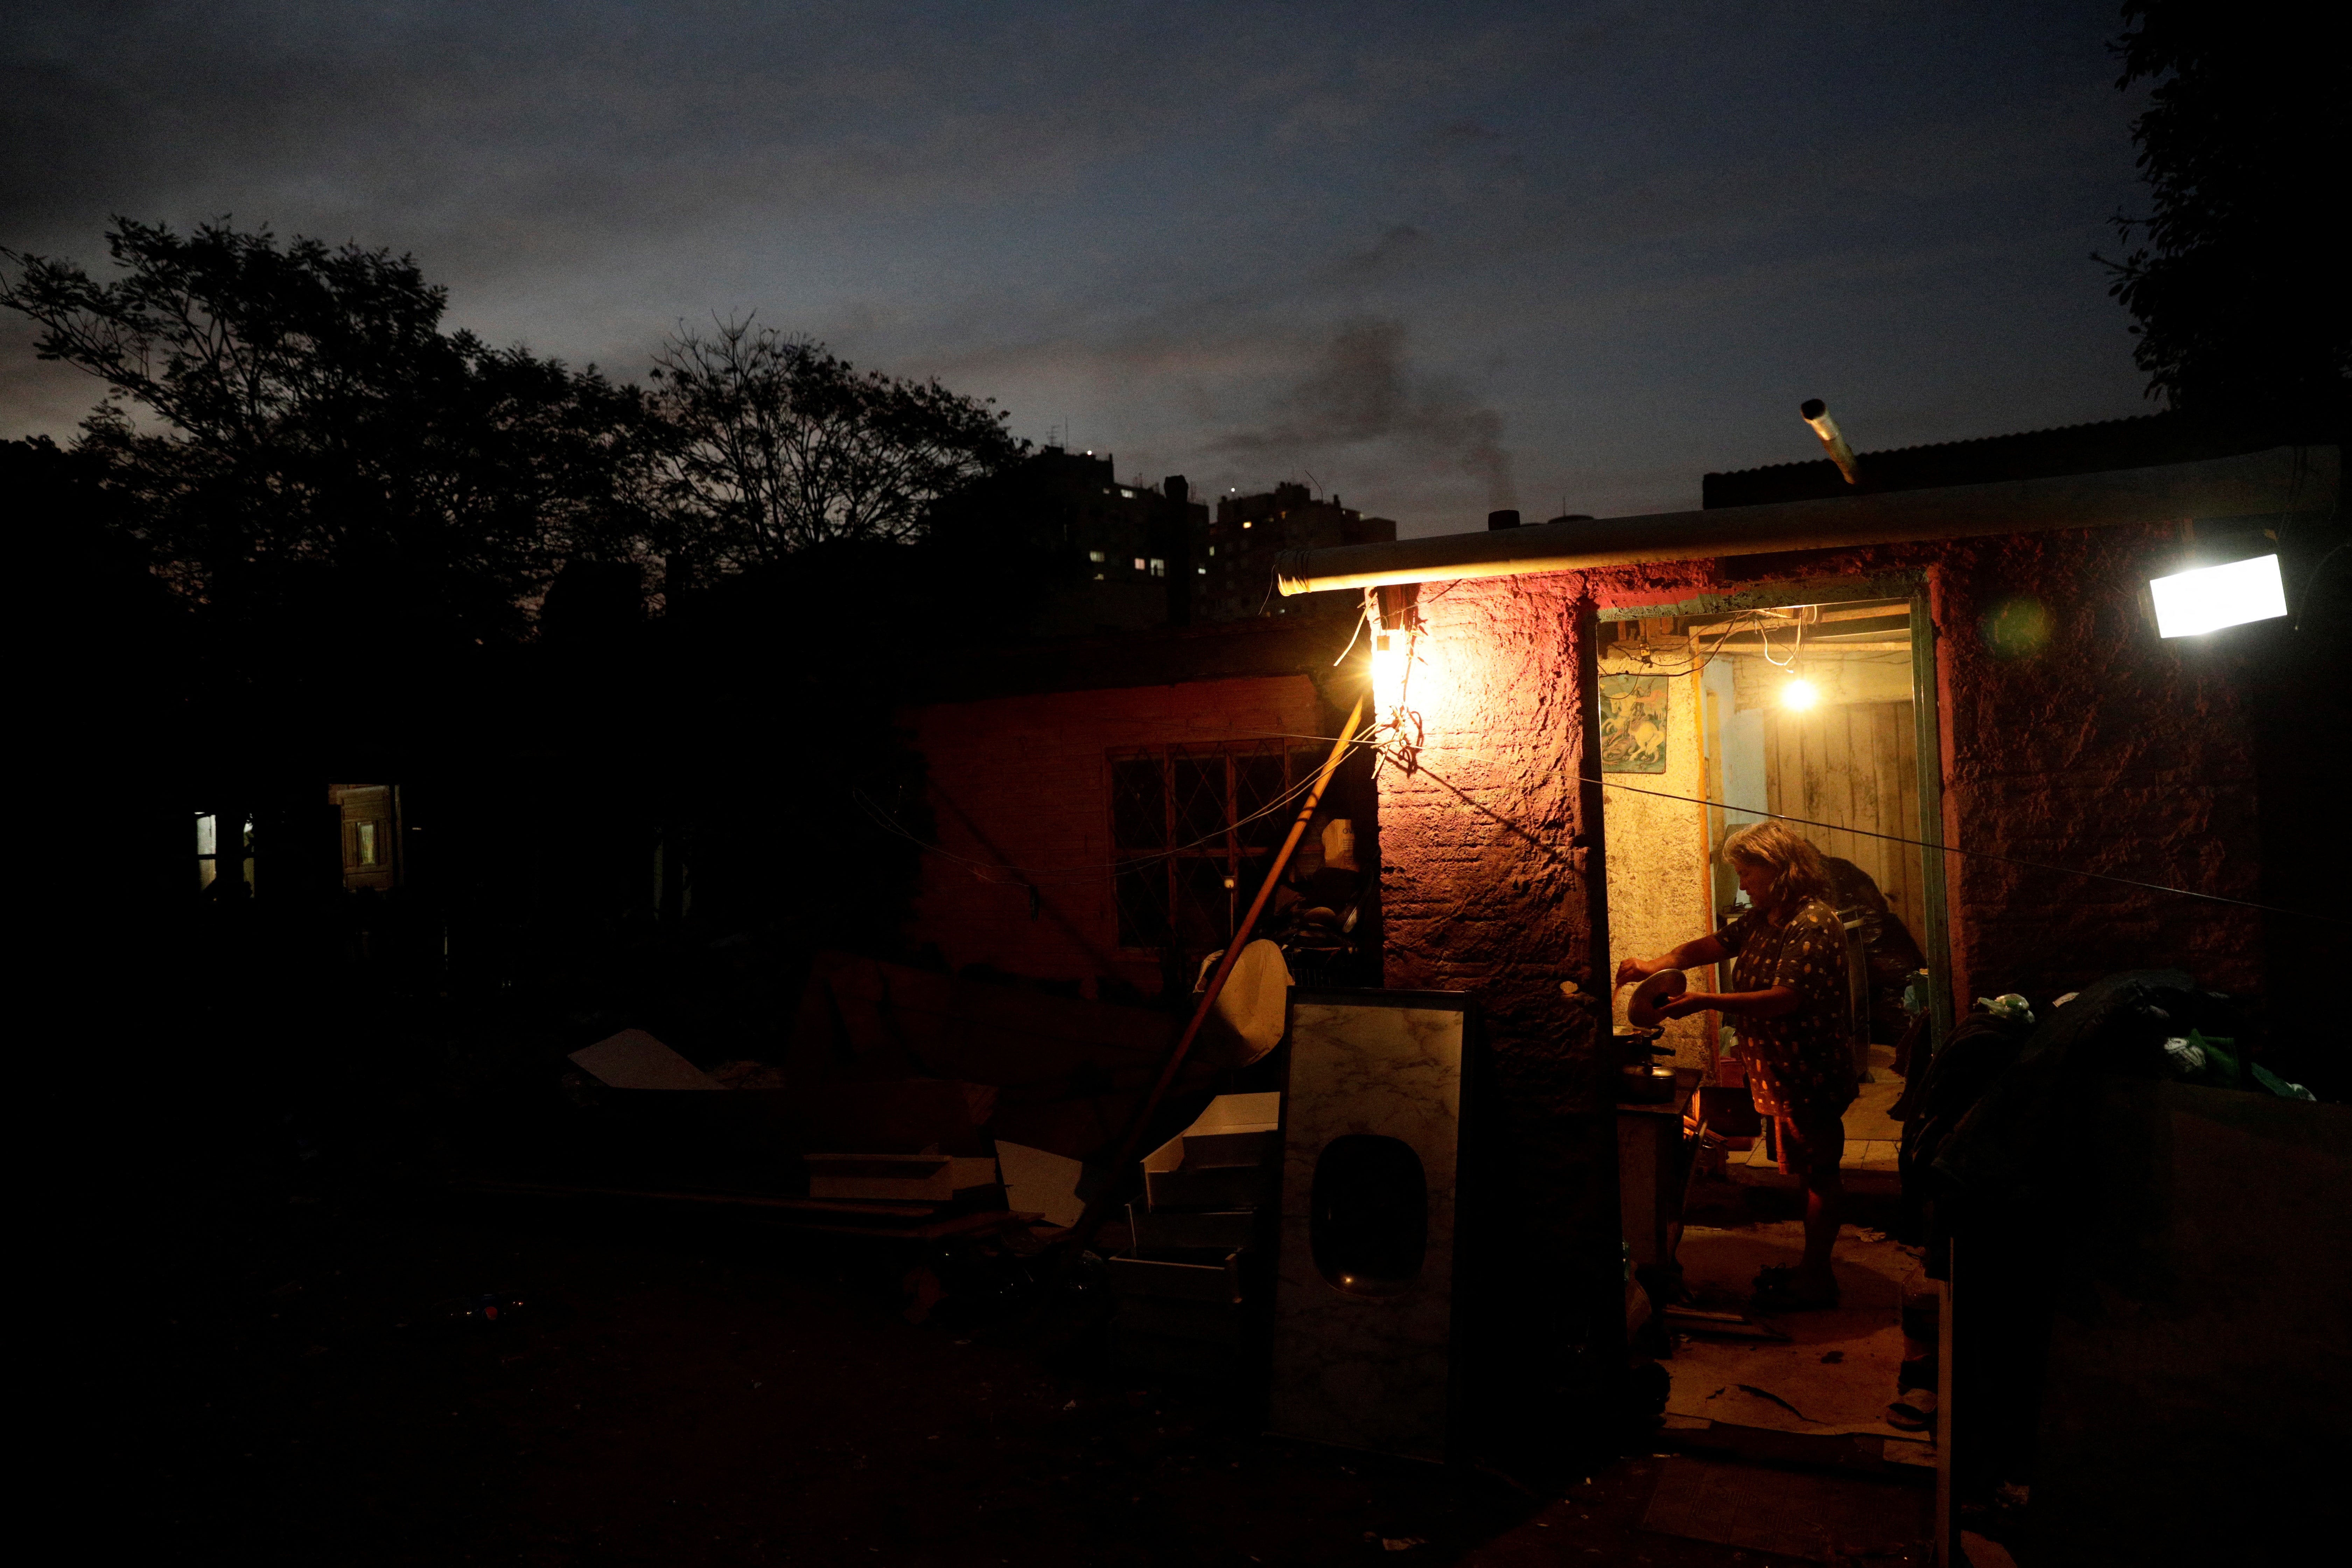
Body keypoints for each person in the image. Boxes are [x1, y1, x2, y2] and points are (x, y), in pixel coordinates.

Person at [1615, 820, 1857, 1309]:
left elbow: (1787, 999)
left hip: (1809, 1068)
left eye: (1748, 874)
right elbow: (1705, 948)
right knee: (1810, 1167)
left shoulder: (1811, 922)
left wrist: (1706, 1000)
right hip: (1782, 1067)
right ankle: (1813, 1269)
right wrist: (1653, 967)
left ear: (1778, 868)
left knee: (1821, 1172)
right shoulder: (1764, 917)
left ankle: (1818, 1277)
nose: (1743, 885)